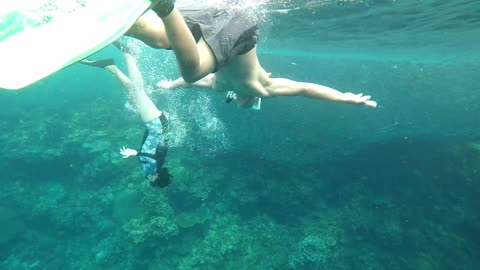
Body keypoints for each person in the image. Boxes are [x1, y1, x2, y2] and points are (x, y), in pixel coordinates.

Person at [124, 0, 377, 110]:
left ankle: (124, 19)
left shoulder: (219, 85)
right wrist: (342, 97)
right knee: (192, 71)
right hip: (238, 28)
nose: (246, 104)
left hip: (213, 19)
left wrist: (170, 87)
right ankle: (166, 6)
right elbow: (304, 89)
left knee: (158, 38)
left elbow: (187, 86)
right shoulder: (261, 86)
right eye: (251, 104)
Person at [81, 43, 172, 188]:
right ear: (156, 178)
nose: (150, 179)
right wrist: (135, 153)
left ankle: (110, 67)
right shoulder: (153, 167)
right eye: (154, 181)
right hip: (157, 125)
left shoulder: (151, 168)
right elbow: (153, 157)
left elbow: (153, 149)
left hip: (157, 125)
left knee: (134, 93)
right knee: (138, 91)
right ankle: (128, 53)